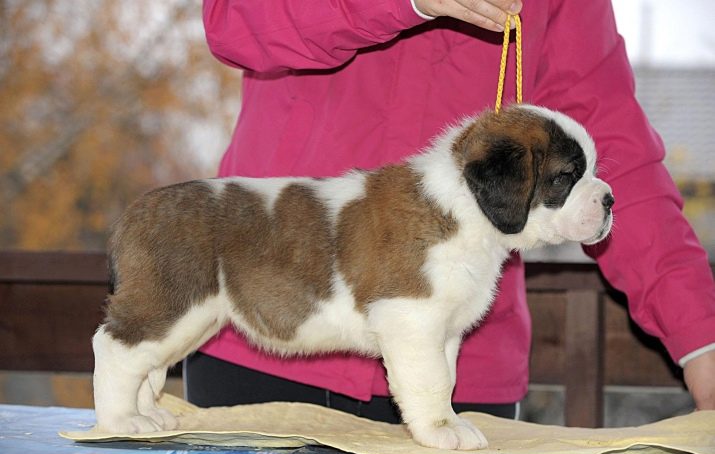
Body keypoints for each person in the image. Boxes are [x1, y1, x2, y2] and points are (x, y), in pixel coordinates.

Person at [185, 0, 715, 421]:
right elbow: (233, 20)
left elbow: (611, 152)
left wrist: (702, 338)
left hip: (462, 362)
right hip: (267, 321)